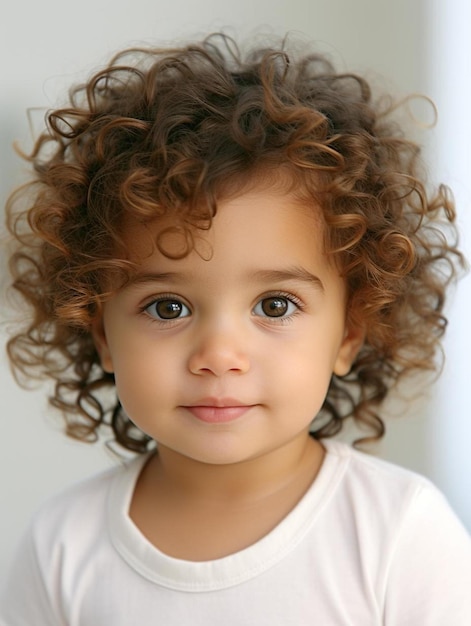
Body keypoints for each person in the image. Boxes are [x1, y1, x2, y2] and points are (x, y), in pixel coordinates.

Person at [1, 33, 470, 625]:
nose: (219, 355)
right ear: (100, 331)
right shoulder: (62, 547)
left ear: (350, 333)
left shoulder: (401, 536)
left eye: (275, 306)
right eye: (168, 308)